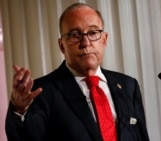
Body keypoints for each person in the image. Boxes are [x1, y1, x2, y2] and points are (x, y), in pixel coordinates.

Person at [5, 3, 149, 141]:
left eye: (93, 33)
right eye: (75, 35)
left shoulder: (128, 86)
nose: (85, 42)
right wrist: (19, 109)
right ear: (62, 46)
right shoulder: (41, 91)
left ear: (104, 40)